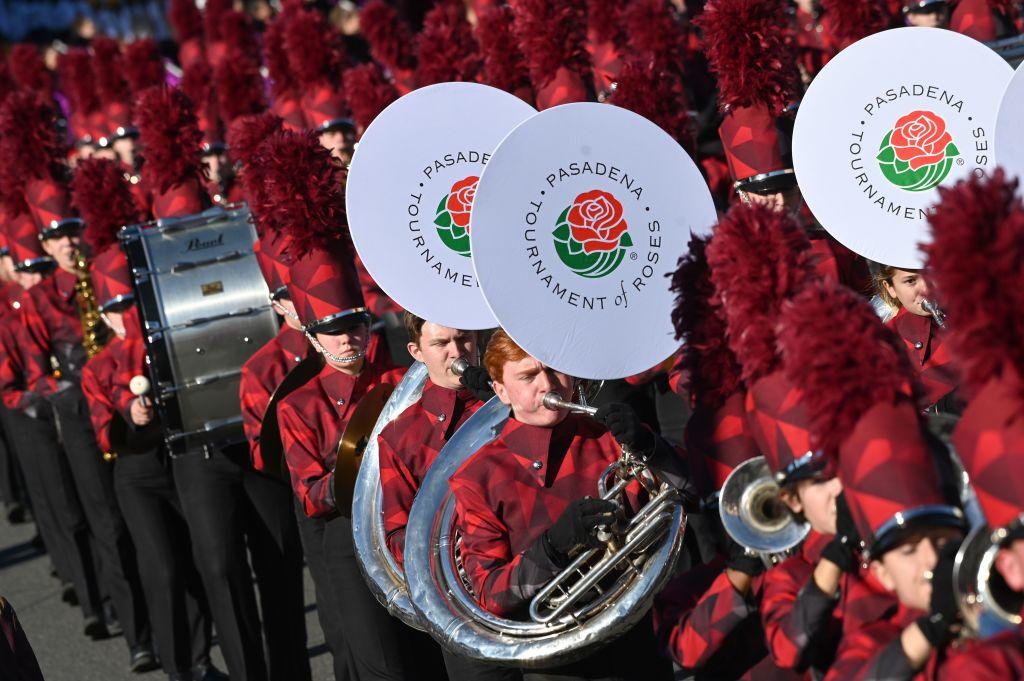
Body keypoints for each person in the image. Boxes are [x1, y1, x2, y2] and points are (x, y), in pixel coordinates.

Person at [449, 329, 696, 681]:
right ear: (500, 390)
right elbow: (491, 595)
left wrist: (651, 446)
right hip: (557, 662)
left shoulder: (608, 437)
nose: (547, 384)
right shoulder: (478, 477)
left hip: (637, 641)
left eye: (554, 369)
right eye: (528, 375)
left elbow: (695, 493)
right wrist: (552, 547)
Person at [267, 128, 419, 681]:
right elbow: (310, 495)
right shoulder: (296, 405)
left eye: (356, 324)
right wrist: (353, 473)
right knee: (383, 668)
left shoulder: (403, 373)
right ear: (309, 334)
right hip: (348, 542)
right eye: (333, 330)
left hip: (411, 527)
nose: (349, 339)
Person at [377, 313, 519, 681]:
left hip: (534, 580)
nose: (457, 352)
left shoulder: (517, 404)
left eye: (465, 340)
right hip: (468, 608)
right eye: (441, 344)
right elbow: (398, 537)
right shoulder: (400, 437)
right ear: (416, 351)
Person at [873, 265, 959, 413]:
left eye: (930, 274)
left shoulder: (976, 313)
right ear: (890, 288)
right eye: (911, 281)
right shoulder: (884, 344)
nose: (926, 289)